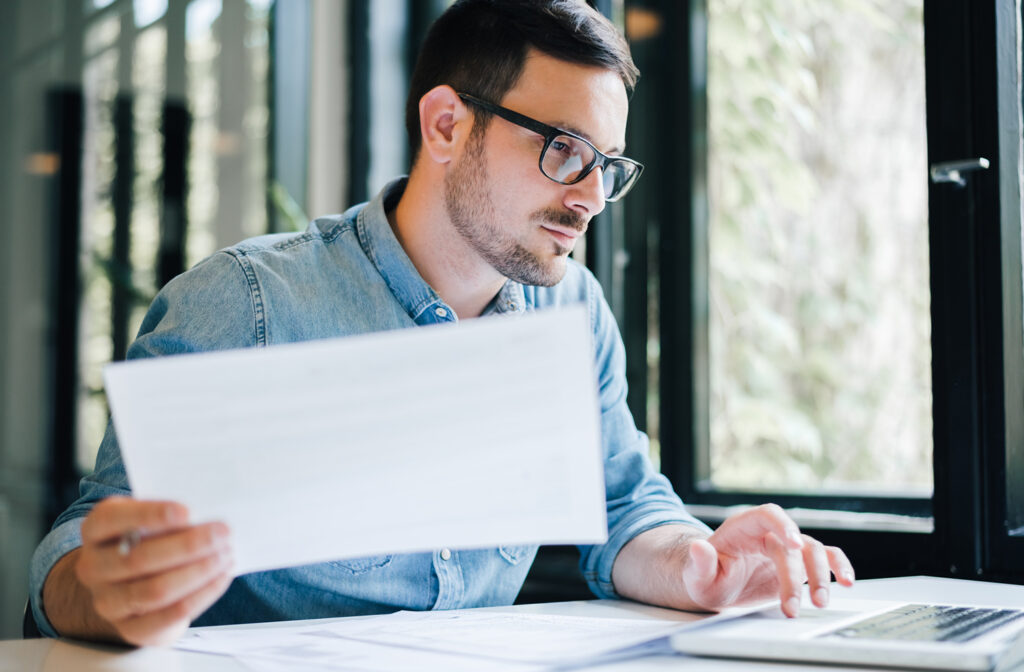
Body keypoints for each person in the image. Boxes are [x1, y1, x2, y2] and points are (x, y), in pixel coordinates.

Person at [29, 0, 854, 647]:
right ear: (447, 125)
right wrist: (100, 589)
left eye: (607, 166)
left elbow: (622, 505)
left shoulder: (572, 311)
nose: (591, 197)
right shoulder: (246, 303)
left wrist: (701, 565)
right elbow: (78, 551)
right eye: (565, 150)